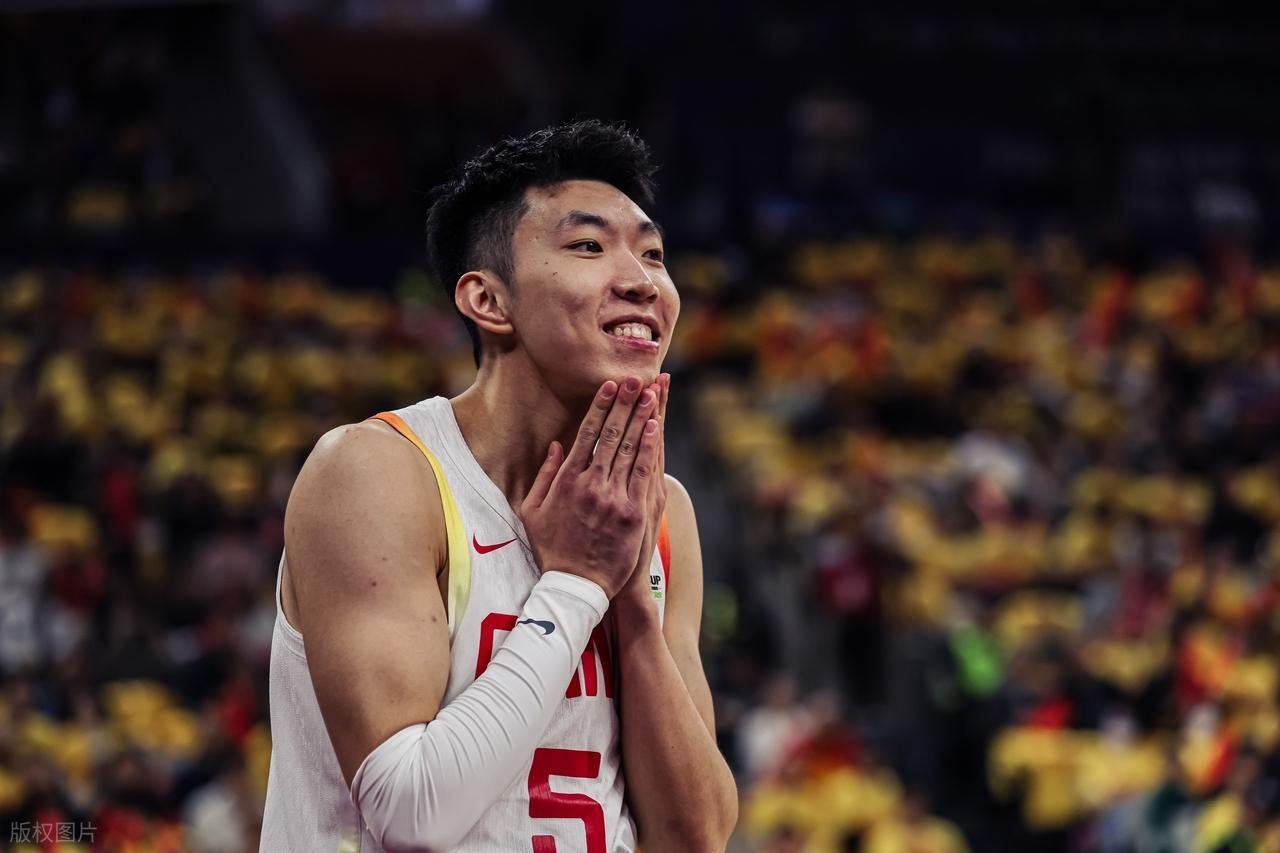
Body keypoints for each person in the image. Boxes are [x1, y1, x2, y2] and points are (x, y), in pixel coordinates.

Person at [260, 121, 738, 852]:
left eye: (653, 254)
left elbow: (695, 835)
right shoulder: (378, 473)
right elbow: (409, 814)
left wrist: (632, 605)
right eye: (589, 246)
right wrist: (578, 583)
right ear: (489, 300)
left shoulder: (660, 509)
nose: (643, 281)